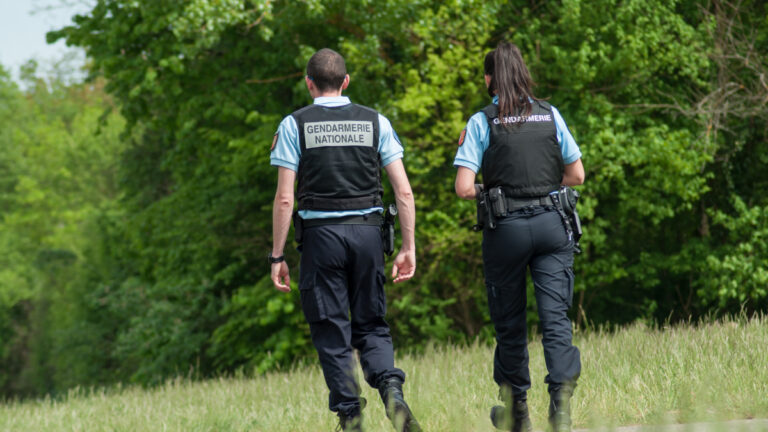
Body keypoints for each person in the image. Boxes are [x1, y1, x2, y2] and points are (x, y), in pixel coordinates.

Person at [269, 48, 421, 432]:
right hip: (369, 236)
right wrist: (408, 246)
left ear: (309, 84)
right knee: (371, 323)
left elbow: (286, 197)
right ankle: (391, 388)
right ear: (346, 81)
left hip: (321, 241)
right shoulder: (375, 121)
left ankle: (351, 416)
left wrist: (277, 255)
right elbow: (403, 192)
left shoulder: (294, 125)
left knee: (330, 327)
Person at [453, 42, 585, 432]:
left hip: (506, 229)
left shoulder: (482, 121)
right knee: (556, 319)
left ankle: (517, 415)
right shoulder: (550, 114)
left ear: (489, 78)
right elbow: (577, 175)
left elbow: (463, 187)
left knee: (510, 324)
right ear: (524, 73)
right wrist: (542, 185)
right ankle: (560, 410)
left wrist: (494, 191)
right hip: (551, 225)